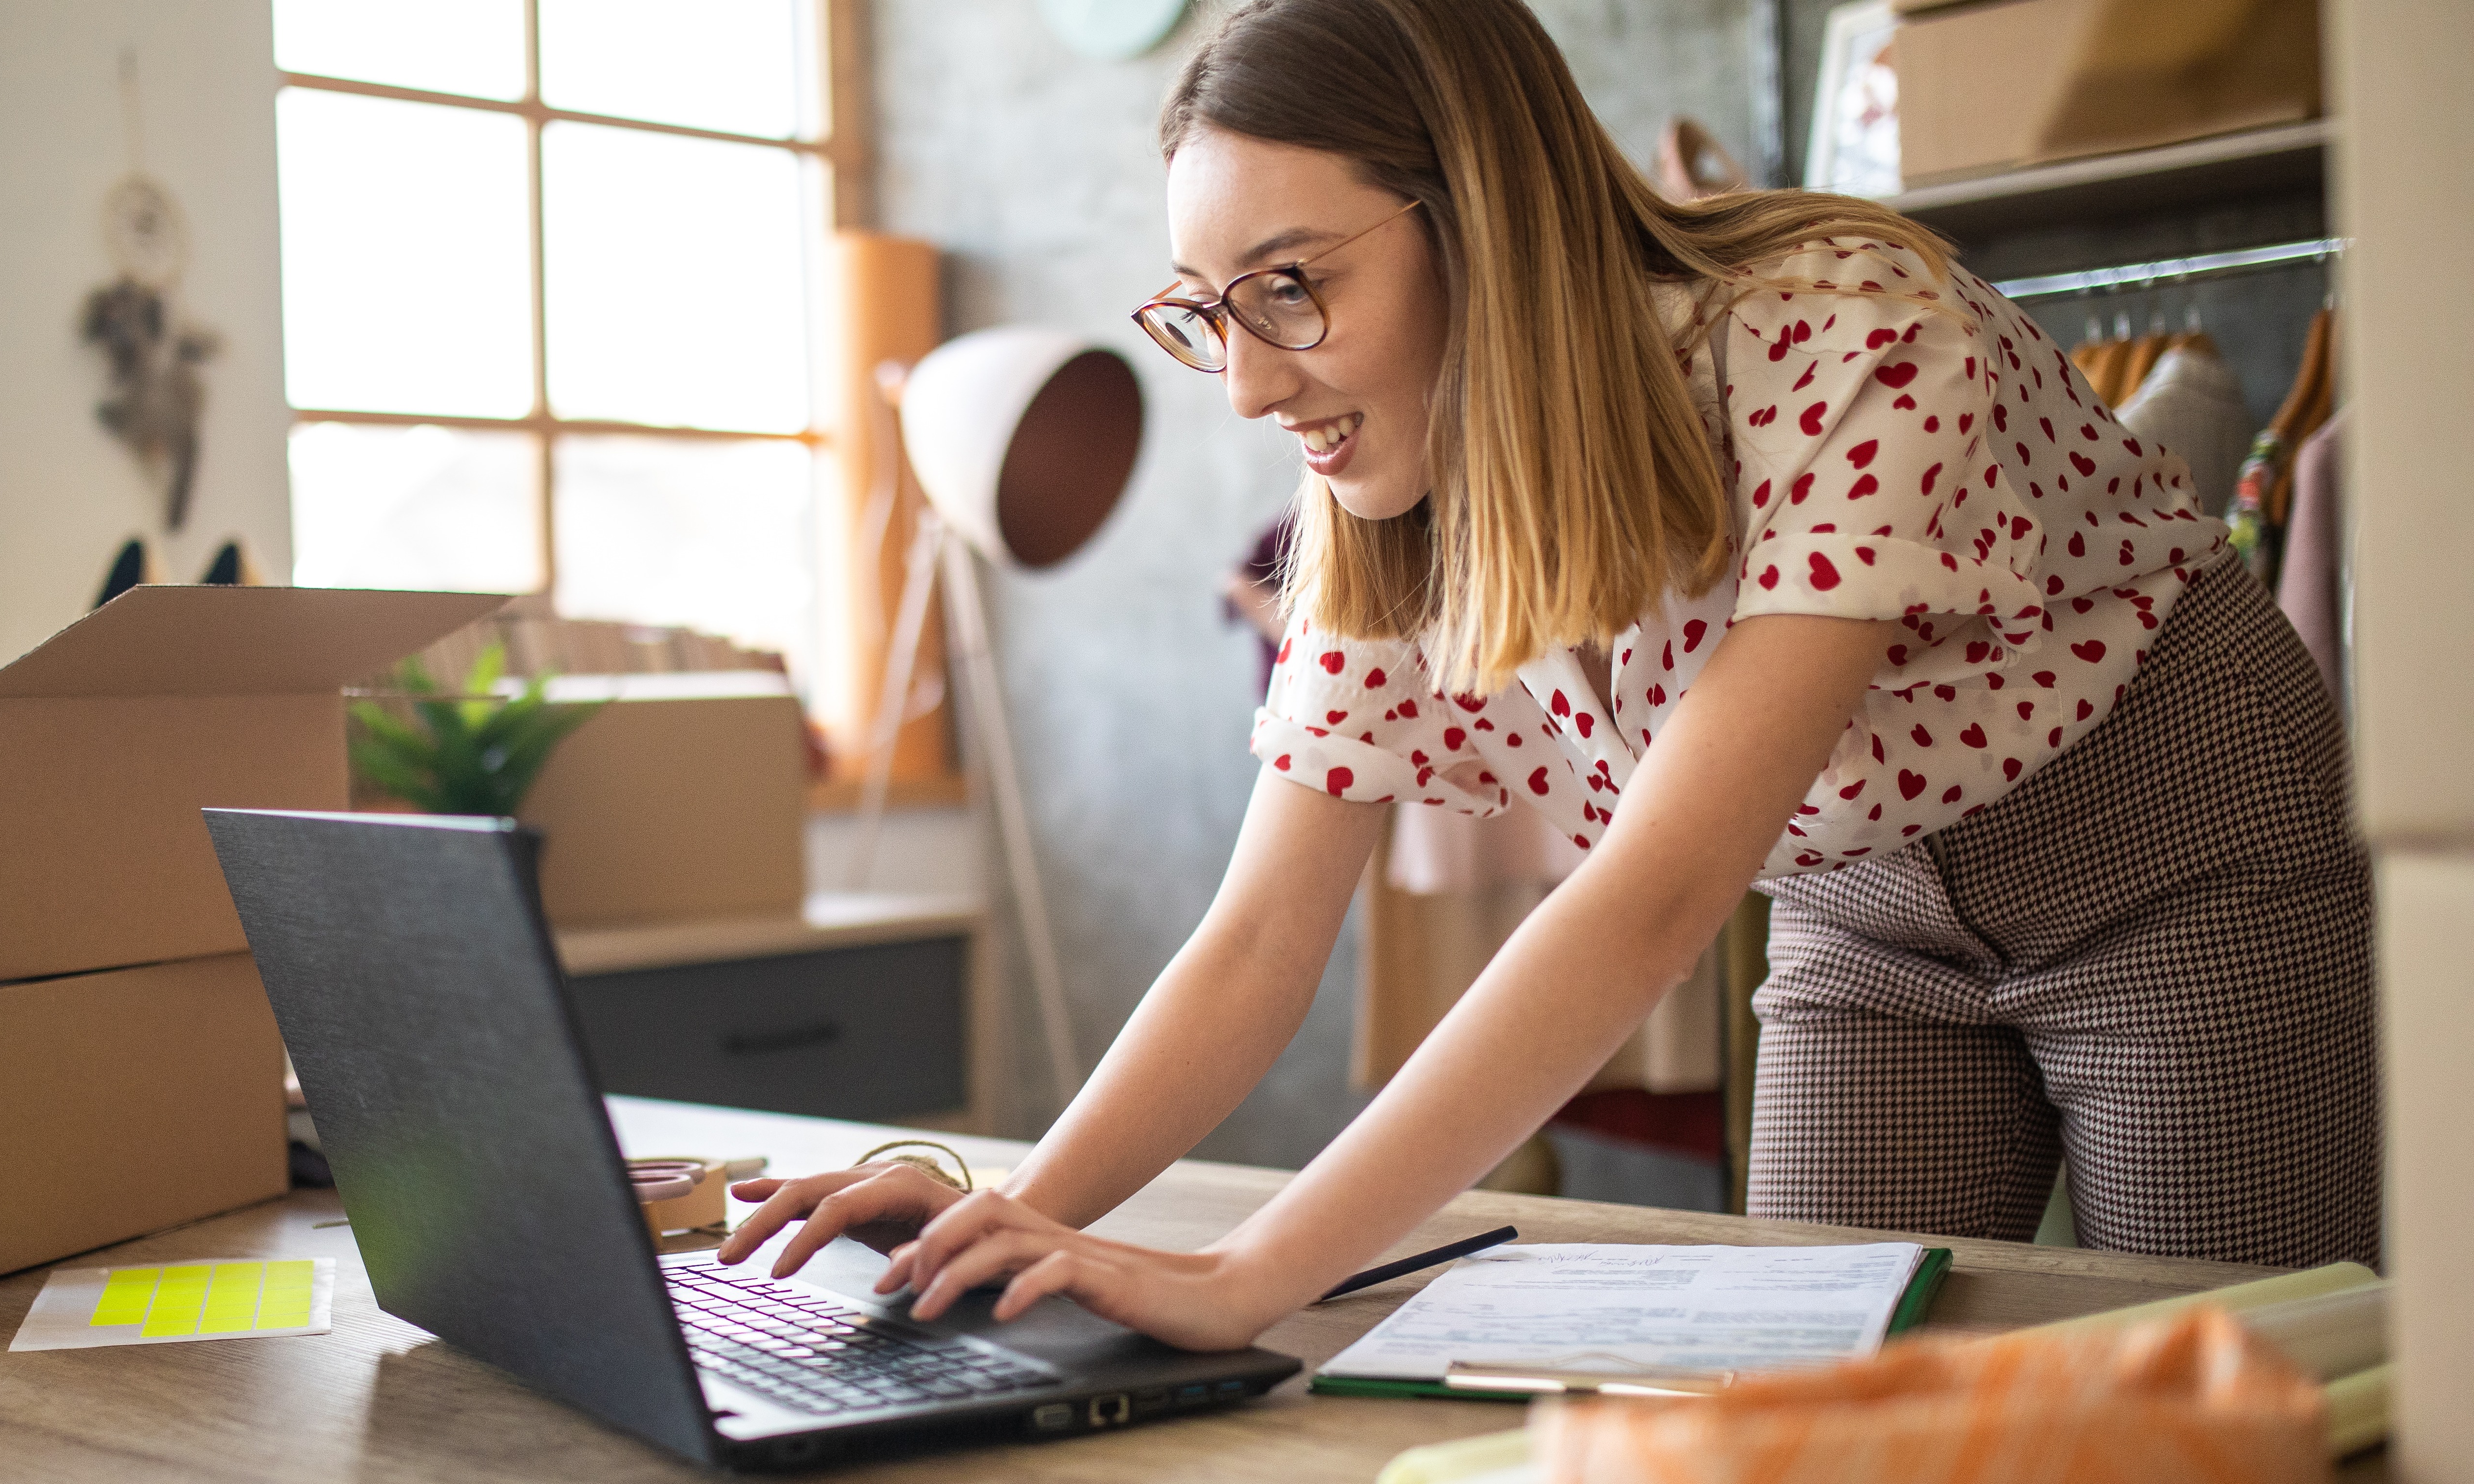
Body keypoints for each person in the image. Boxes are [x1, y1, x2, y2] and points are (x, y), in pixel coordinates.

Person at [718, 0, 2373, 1352]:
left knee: (2236, 1384)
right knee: (1799, 1396)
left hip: (2182, 864)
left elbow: (1653, 901)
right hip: (1869, 917)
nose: (1248, 388)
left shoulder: (1851, 327)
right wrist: (1033, 1208)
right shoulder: (1378, 495)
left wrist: (1247, 1278)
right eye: (1212, 315)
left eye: (1292, 287)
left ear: (1483, 215)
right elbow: (1259, 935)